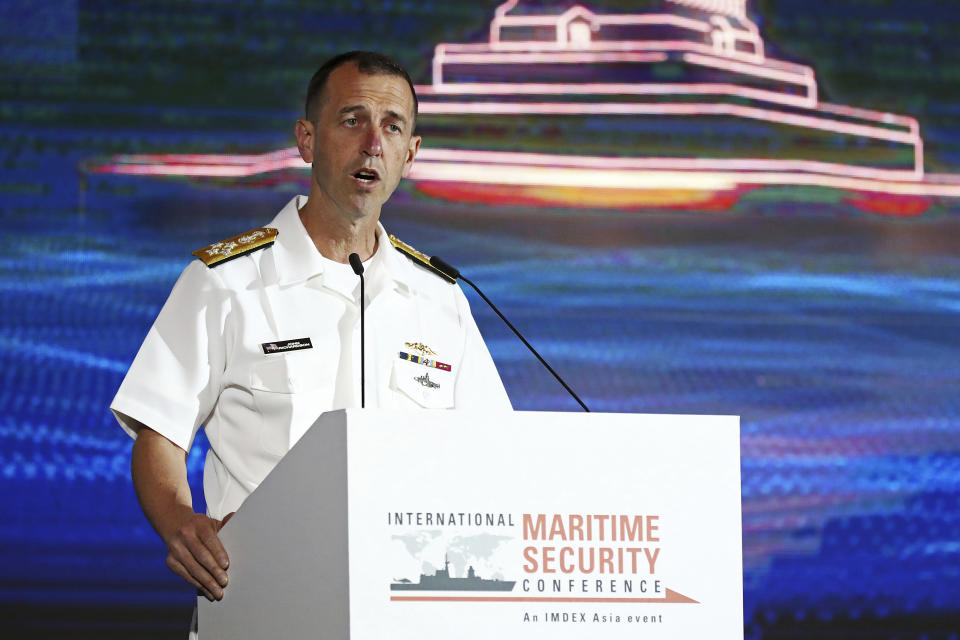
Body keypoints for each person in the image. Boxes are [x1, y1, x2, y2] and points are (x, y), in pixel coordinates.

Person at [110, 51, 512, 606]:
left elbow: (495, 453)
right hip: (264, 598)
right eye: (352, 120)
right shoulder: (228, 281)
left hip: (403, 603)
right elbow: (160, 431)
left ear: (410, 154)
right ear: (306, 139)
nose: (373, 142)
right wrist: (180, 520)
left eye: (392, 127)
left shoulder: (440, 299)